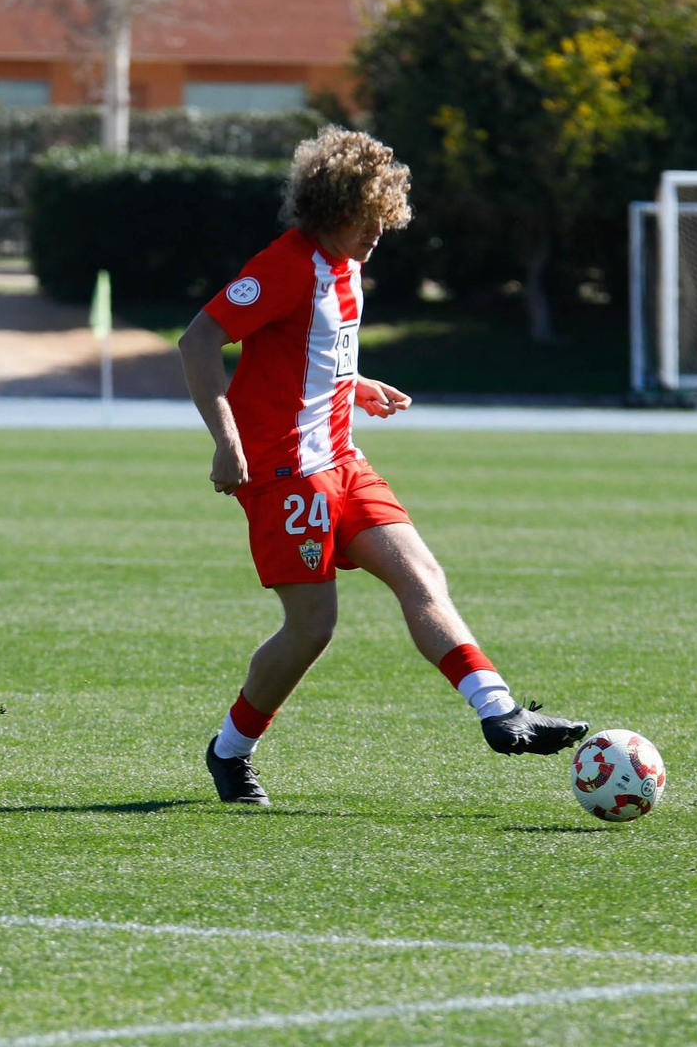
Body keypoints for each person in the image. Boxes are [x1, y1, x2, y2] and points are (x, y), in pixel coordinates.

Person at [179, 126, 588, 806]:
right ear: (331, 209)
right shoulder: (284, 266)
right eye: (367, 218)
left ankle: (500, 711)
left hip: (342, 458)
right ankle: (230, 750)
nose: (378, 232)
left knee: (422, 574)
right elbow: (199, 340)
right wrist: (226, 442)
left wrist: (353, 384)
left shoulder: (345, 264)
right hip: (285, 472)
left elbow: (307, 349)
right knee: (312, 628)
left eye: (383, 218)